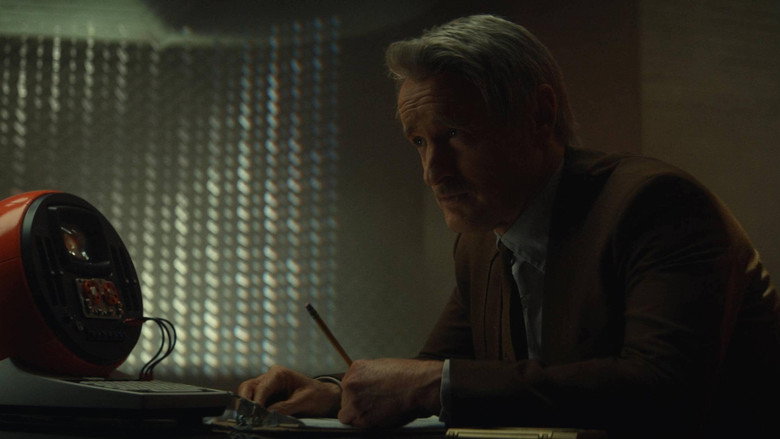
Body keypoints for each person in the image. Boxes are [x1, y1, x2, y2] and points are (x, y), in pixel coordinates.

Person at [238, 14, 780, 437]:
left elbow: (665, 391)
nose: (433, 171)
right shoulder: (480, 240)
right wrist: (334, 393)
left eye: (454, 134)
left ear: (539, 115)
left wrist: (430, 384)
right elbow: (435, 373)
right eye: (419, 142)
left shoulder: (656, 206)